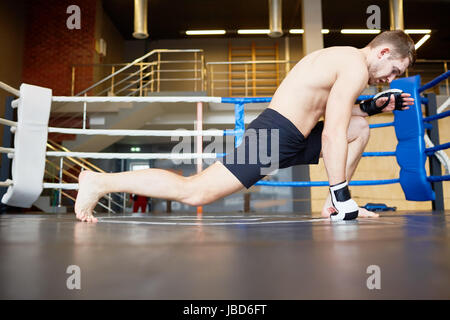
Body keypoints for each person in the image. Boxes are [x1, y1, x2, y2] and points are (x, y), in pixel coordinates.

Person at [75, 30, 416, 223]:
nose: (390, 80)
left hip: (291, 136)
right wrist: (345, 198)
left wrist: (374, 106)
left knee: (360, 128)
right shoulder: (354, 67)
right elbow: (331, 131)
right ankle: (100, 181)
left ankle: (332, 204)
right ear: (383, 51)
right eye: (395, 71)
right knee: (197, 190)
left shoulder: (345, 60)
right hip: (275, 136)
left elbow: (341, 116)